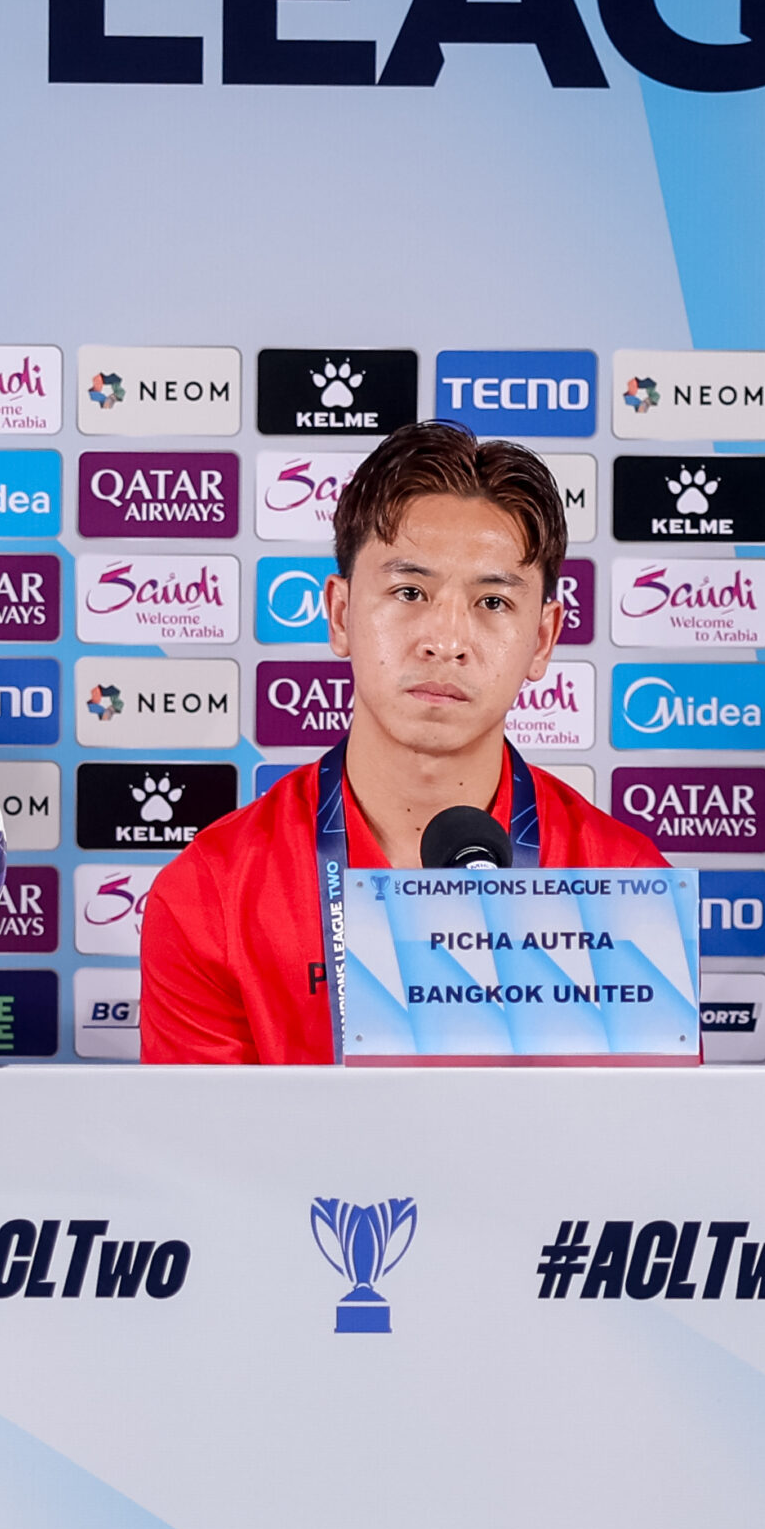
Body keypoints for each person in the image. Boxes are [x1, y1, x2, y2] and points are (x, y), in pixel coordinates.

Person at [142, 419, 664, 1065]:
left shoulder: (628, 884)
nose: (446, 641)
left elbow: (648, 1130)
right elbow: (202, 1135)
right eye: (410, 592)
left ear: (542, 639)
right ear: (340, 615)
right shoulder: (211, 893)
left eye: (493, 602)